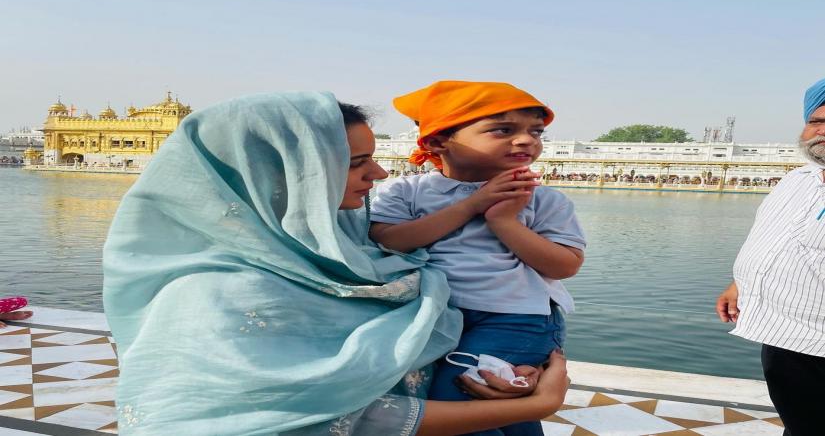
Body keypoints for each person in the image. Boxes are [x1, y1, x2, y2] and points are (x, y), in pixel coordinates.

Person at [103, 92, 569, 435]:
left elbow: (426, 342)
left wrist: (508, 368)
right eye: (356, 162)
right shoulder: (214, 295)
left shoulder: (345, 245)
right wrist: (528, 407)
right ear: (280, 173)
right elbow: (339, 420)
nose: (381, 173)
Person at [369, 81, 585, 435]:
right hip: (435, 316)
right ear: (438, 141)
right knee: (502, 407)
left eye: (536, 131)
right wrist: (472, 205)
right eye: (503, 130)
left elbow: (565, 265)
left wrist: (502, 221)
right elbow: (389, 241)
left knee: (460, 396)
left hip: (514, 318)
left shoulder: (543, 199)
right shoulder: (406, 190)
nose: (526, 140)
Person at [716, 77, 825, 436]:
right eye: (818, 122)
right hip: (782, 335)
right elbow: (772, 238)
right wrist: (739, 283)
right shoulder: (798, 180)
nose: (822, 131)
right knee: (800, 424)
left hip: (819, 342)